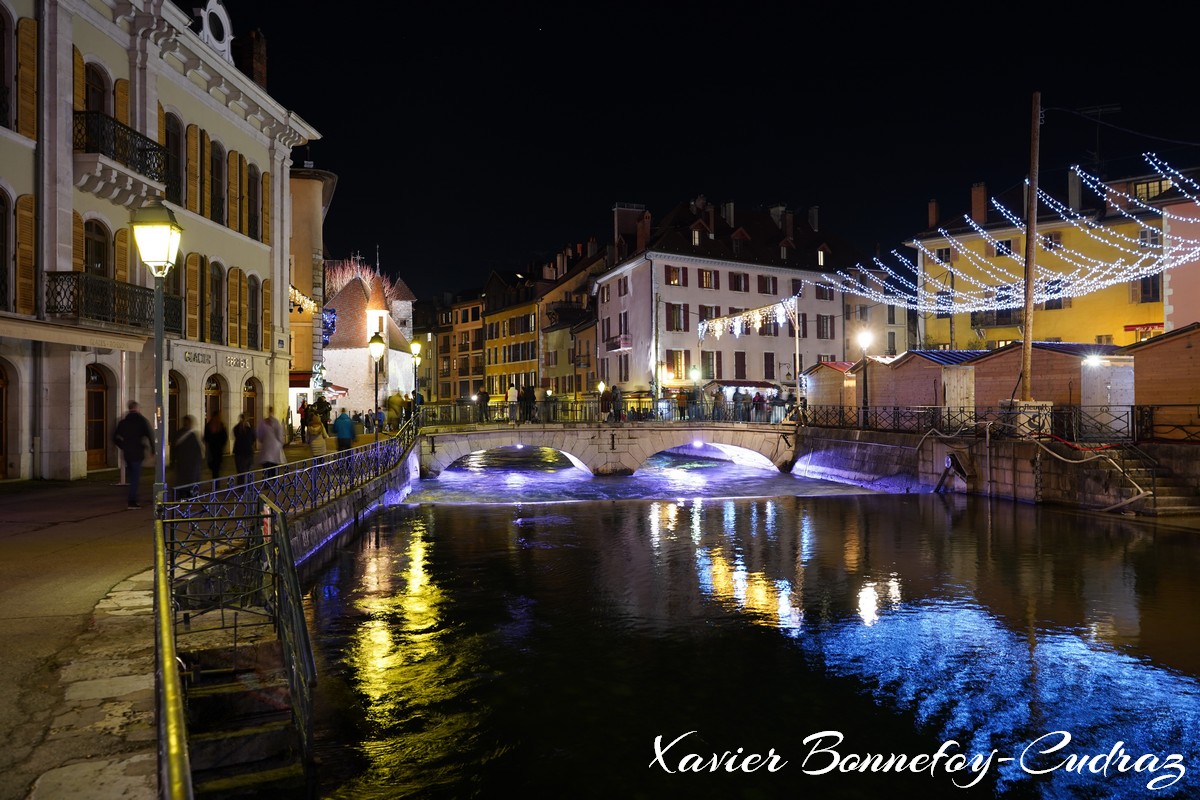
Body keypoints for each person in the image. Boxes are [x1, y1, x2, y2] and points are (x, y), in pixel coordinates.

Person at [113, 400, 154, 509]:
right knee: (135, 478)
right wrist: (152, 449)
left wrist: (123, 445)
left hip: (127, 453)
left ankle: (133, 496)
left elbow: (115, 437)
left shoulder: (123, 422)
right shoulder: (142, 421)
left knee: (132, 476)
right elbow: (150, 435)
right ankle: (132, 500)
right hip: (137, 452)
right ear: (137, 408)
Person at [172, 414, 203, 497]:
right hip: (191, 463)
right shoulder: (192, 435)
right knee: (191, 479)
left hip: (182, 462)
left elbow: (173, 448)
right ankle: (190, 493)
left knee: (182, 479)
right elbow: (197, 450)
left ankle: (181, 493)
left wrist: (173, 460)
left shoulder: (178, 434)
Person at [256, 405, 286, 477]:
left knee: (266, 465)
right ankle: (273, 480)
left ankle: (266, 480)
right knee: (274, 465)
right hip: (275, 447)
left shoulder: (263, 422)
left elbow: (259, 434)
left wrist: (262, 441)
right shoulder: (276, 422)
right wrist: (281, 443)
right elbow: (279, 434)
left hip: (266, 446)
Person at [202, 411, 228, 479]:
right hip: (212, 449)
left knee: (216, 468)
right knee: (214, 467)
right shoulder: (209, 426)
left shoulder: (221, 425)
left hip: (218, 450)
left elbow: (224, 437)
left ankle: (216, 482)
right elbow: (206, 437)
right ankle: (215, 482)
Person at [232, 412, 256, 482]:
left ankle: (241, 486)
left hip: (239, 451)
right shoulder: (249, 428)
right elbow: (253, 438)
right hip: (247, 451)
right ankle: (248, 486)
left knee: (240, 471)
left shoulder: (236, 428)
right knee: (249, 470)